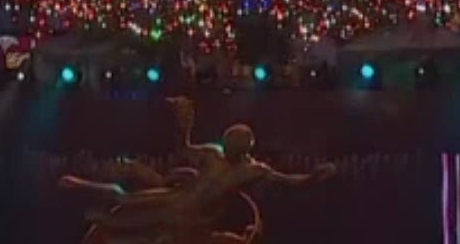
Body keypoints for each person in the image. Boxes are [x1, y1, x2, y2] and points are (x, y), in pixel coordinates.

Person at [61, 96, 335, 243]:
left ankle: (107, 222)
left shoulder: (252, 170)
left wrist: (313, 176)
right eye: (226, 142)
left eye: (232, 145)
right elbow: (185, 148)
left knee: (152, 233)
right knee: (124, 200)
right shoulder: (212, 154)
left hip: (195, 217)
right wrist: (185, 123)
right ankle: (79, 185)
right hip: (177, 200)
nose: (226, 148)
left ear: (244, 148)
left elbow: (287, 180)